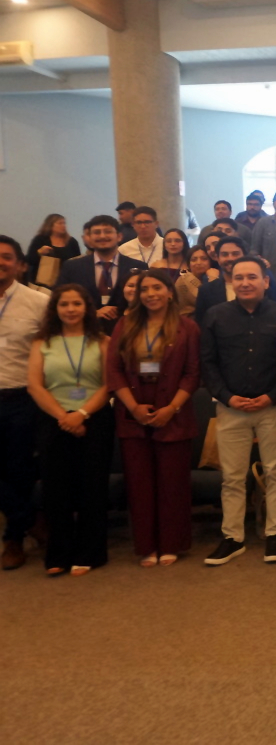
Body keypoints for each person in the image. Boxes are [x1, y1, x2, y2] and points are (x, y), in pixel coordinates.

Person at [199, 256, 276, 566]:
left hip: (272, 406)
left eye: (252, 277)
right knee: (232, 477)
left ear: (265, 281)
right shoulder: (215, 315)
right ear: (231, 282)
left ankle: (275, 533)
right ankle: (233, 537)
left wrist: (272, 396)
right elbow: (208, 363)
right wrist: (227, 397)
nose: (245, 282)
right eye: (239, 277)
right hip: (231, 408)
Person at [106, 271, 201, 567]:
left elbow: (192, 374)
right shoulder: (125, 325)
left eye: (157, 287)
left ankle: (171, 543)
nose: (150, 294)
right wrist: (133, 407)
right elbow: (113, 370)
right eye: (144, 289)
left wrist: (172, 408)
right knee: (140, 484)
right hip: (133, 412)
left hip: (173, 411)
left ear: (170, 292)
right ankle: (146, 545)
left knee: (173, 483)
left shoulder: (187, 327)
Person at [26, 284, 113, 576]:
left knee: (92, 487)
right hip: (53, 419)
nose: (71, 309)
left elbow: (109, 384)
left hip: (94, 420)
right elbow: (34, 385)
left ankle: (91, 553)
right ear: (55, 308)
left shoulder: (102, 341)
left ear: (87, 308)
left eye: (77, 304)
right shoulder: (42, 342)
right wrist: (64, 417)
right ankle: (58, 554)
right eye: (64, 304)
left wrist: (82, 414)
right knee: (56, 488)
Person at [0, 236, 51, 570]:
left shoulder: (38, 302)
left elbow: (53, 349)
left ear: (20, 264)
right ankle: (30, 518)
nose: (0, 262)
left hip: (21, 397)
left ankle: (14, 538)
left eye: (6, 257)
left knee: (18, 468)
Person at [55, 215, 148, 334]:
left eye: (108, 232)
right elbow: (58, 300)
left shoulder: (138, 267)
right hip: (84, 331)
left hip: (128, 331)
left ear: (119, 236)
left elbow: (145, 302)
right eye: (97, 232)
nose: (102, 236)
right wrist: (93, 313)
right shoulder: (72, 267)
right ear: (89, 238)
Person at [194, 237, 276, 323]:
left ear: (245, 256)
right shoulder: (206, 291)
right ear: (217, 258)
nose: (230, 258)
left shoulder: (262, 283)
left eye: (235, 254)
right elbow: (202, 324)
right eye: (224, 254)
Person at [25, 214, 81, 287]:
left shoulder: (71, 242)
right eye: (60, 223)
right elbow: (29, 260)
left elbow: (78, 262)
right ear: (50, 225)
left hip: (66, 283)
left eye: (64, 223)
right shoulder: (40, 239)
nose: (63, 226)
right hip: (42, 284)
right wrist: (39, 252)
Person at [176, 246, 218, 317]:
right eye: (194, 260)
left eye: (204, 259)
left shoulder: (213, 276)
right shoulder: (184, 280)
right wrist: (213, 279)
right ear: (189, 264)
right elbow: (208, 303)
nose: (198, 263)